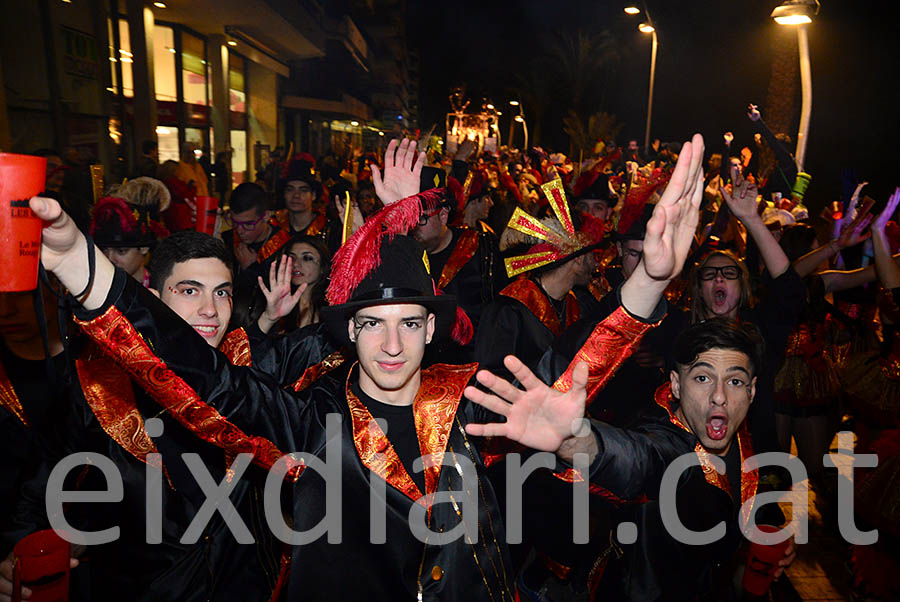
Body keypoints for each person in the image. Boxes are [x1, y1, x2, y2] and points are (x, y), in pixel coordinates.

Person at [23, 133, 709, 601]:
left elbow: (588, 385)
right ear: (347, 333)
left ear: (432, 328)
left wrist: (646, 284)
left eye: (409, 324)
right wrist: (86, 275)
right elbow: (208, 381)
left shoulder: (475, 404)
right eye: (371, 326)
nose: (390, 346)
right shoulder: (311, 419)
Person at [0, 231, 333, 602]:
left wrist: (392, 230)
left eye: (221, 292)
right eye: (190, 291)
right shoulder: (97, 392)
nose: (210, 309)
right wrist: (16, 559)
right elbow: (40, 495)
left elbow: (342, 336)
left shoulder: (252, 365)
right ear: (153, 302)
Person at [466, 318, 796, 601]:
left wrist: (767, 538)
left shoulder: (747, 433)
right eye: (702, 378)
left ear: (752, 391)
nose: (720, 396)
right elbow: (638, 460)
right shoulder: (664, 438)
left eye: (734, 381)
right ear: (676, 385)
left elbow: (753, 493)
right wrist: (573, 441)